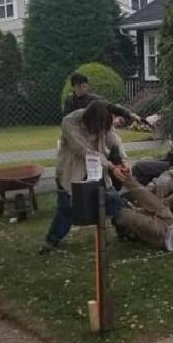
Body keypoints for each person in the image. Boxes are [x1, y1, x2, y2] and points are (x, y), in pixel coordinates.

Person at [42, 101, 129, 254]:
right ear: (91, 121)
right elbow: (84, 150)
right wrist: (112, 167)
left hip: (98, 169)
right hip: (72, 171)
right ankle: (51, 240)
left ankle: (125, 231)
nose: (102, 131)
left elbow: (115, 140)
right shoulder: (70, 122)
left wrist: (124, 161)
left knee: (114, 200)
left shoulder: (102, 120)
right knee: (67, 208)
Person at [63, 72, 139, 122]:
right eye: (79, 86)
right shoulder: (69, 101)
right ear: (74, 87)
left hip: (93, 130)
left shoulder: (93, 100)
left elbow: (111, 106)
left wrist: (129, 114)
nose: (82, 88)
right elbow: (67, 119)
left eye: (84, 86)